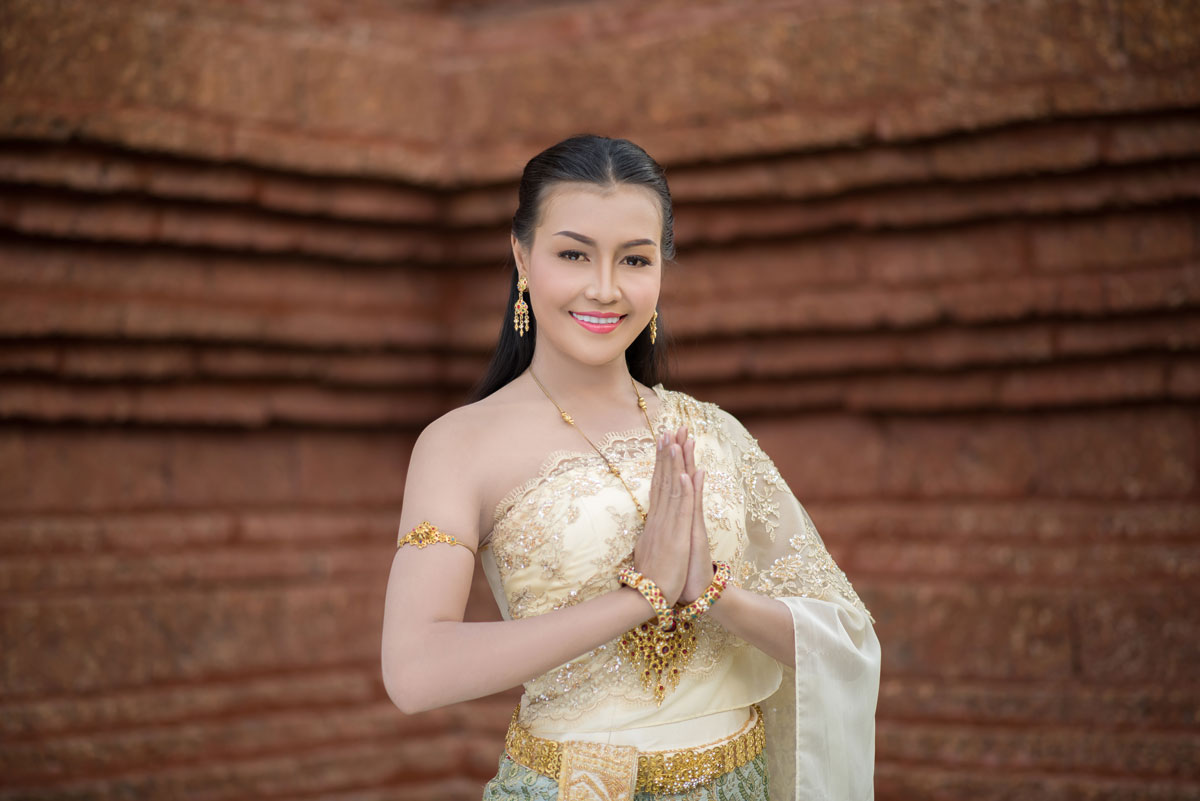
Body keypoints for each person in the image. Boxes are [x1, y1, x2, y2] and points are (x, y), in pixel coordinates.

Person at [380, 134, 881, 800]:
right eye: (573, 254)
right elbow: (414, 671)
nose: (605, 288)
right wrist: (637, 597)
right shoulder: (458, 444)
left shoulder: (713, 434)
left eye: (635, 259)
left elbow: (843, 641)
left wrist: (713, 593)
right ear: (522, 256)